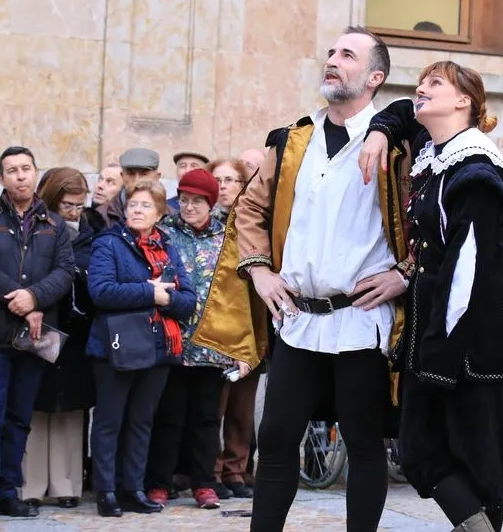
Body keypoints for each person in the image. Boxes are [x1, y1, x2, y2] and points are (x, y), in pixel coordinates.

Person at [191, 26, 410, 532]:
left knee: (363, 441)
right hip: (298, 319)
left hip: (360, 319)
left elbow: (427, 221)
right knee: (277, 435)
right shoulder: (292, 141)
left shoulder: (398, 145)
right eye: (331, 52)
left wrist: (405, 274)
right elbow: (248, 208)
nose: (333, 60)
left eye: (347, 55)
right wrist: (259, 270)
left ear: (375, 77)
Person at [359, 61, 503, 532]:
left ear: (465, 102)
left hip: (479, 326)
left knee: (479, 455)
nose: (421, 89)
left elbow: (470, 266)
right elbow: (399, 109)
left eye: (435, 83)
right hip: (441, 317)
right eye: (422, 82)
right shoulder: (433, 149)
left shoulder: (474, 169)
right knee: (418, 447)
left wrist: (440, 347)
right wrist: (379, 131)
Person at [0, 146, 76, 524]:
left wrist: (35, 298)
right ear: (1, 179)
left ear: (35, 173)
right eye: (12, 171)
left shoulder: (56, 225)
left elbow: (64, 271)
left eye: (26, 168)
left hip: (35, 336)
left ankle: (8, 492)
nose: (20, 176)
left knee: (19, 417)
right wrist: (19, 297)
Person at [87, 180, 197, 517]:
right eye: (133, 204)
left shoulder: (168, 248)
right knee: (109, 421)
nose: (137, 210)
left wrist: (164, 297)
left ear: (160, 213)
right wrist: (150, 293)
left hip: (157, 346)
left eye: (146, 205)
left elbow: (188, 300)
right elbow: (102, 291)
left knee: (141, 421)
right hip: (115, 346)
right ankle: (106, 490)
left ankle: (133, 488)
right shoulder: (109, 244)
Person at [146, 169, 250, 509]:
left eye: (197, 201)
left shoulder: (227, 238)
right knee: (169, 415)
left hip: (211, 343)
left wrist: (240, 345)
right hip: (173, 341)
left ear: (210, 202)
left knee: (206, 418)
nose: (189, 207)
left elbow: (239, 295)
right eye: (185, 200)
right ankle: (159, 481)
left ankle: (204, 483)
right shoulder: (163, 234)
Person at [21, 167, 96, 508]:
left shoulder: (92, 231)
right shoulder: (33, 228)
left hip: (78, 332)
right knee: (36, 404)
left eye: (79, 205)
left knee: (70, 408)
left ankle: (67, 483)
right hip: (43, 323)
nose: (74, 212)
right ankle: (32, 485)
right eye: (67, 205)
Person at [204, 158, 259, 498]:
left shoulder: (251, 222)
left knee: (242, 408)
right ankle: (209, 470)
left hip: (250, 322)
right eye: (218, 180)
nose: (223, 186)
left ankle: (236, 471)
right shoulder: (203, 222)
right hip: (214, 325)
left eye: (230, 179)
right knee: (214, 408)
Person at [94, 148, 162, 229]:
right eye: (131, 174)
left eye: (144, 174)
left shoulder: (171, 214)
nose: (137, 180)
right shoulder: (101, 216)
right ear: (122, 176)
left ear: (157, 177)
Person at [209, 158, 251, 224]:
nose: (222, 186)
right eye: (217, 181)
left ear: (243, 184)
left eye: (229, 180)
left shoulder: (254, 216)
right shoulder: (203, 220)